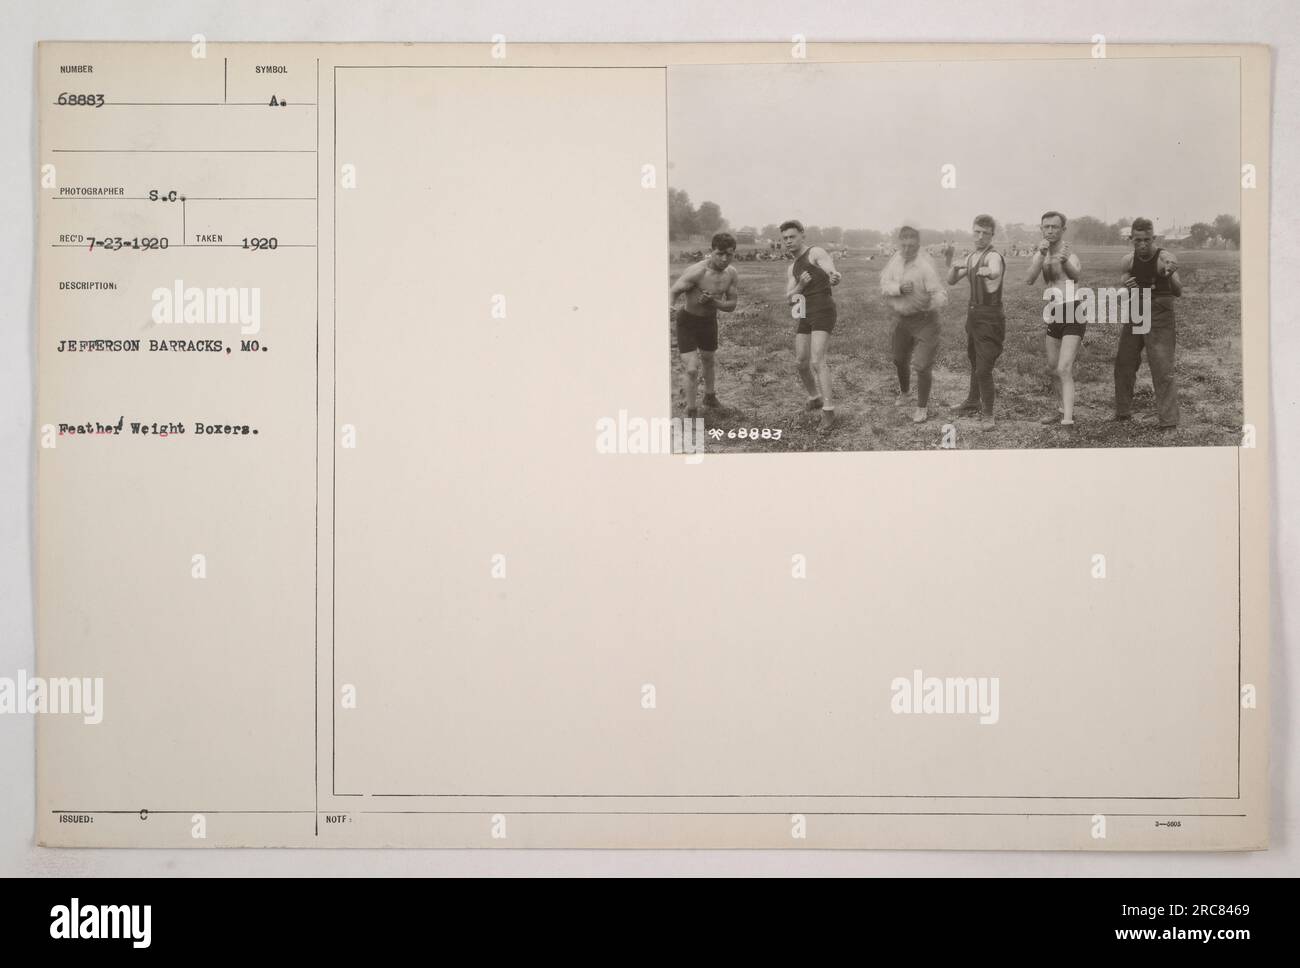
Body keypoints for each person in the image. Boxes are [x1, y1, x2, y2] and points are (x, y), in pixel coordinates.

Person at [1114, 218, 1183, 429]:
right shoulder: (1128, 260)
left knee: (1162, 366)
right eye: (1137, 240)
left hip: (1160, 311)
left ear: (1153, 238)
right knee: (1124, 362)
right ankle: (1123, 413)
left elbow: (1178, 291)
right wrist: (1127, 284)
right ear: (1131, 239)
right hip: (1136, 309)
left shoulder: (1164, 258)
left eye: (1146, 240)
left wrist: (1170, 275)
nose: (1142, 244)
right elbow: (1125, 282)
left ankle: (1169, 422)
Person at [880, 226, 948, 423]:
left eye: (911, 243)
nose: (907, 247)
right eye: (904, 243)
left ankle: (922, 407)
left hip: (926, 320)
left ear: (918, 244)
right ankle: (905, 392)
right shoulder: (895, 261)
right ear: (899, 243)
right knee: (899, 359)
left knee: (922, 365)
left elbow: (939, 293)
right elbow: (884, 286)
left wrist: (935, 300)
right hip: (903, 320)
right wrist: (898, 288)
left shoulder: (925, 266)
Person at [945, 215, 1005, 430]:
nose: (980, 236)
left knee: (983, 368)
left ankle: (988, 412)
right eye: (976, 232)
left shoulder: (993, 256)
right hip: (973, 315)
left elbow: (995, 268)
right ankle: (972, 400)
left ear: (992, 235)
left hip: (991, 318)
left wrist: (990, 272)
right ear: (972, 231)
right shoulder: (971, 256)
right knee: (974, 360)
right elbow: (951, 280)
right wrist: (954, 267)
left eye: (985, 233)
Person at [1024, 211, 1084, 428]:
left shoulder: (1069, 253)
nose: (1050, 230)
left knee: (1064, 368)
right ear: (1041, 229)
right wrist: (1040, 255)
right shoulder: (1041, 254)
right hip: (1053, 311)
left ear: (1063, 230)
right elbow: (1029, 279)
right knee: (1052, 367)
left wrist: (1065, 260)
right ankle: (1061, 408)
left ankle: (1068, 420)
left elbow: (1076, 276)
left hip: (1073, 311)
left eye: (1055, 227)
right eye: (1046, 227)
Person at [669, 232, 739, 418]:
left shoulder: (731, 274)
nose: (724, 259)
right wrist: (669, 307)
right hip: (688, 321)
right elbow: (673, 291)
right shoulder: (697, 272)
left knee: (708, 360)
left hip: (708, 322)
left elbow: (732, 305)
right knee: (691, 368)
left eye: (729, 254)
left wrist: (713, 303)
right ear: (711, 251)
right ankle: (691, 409)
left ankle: (710, 396)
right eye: (720, 253)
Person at [781, 220, 841, 432]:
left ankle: (829, 410)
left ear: (802, 236)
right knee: (800, 361)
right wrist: (801, 284)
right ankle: (815, 397)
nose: (788, 241)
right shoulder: (792, 268)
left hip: (823, 310)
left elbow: (829, 268)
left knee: (817, 360)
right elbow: (789, 298)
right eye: (785, 238)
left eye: (792, 237)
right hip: (804, 313)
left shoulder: (815, 252)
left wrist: (834, 275)